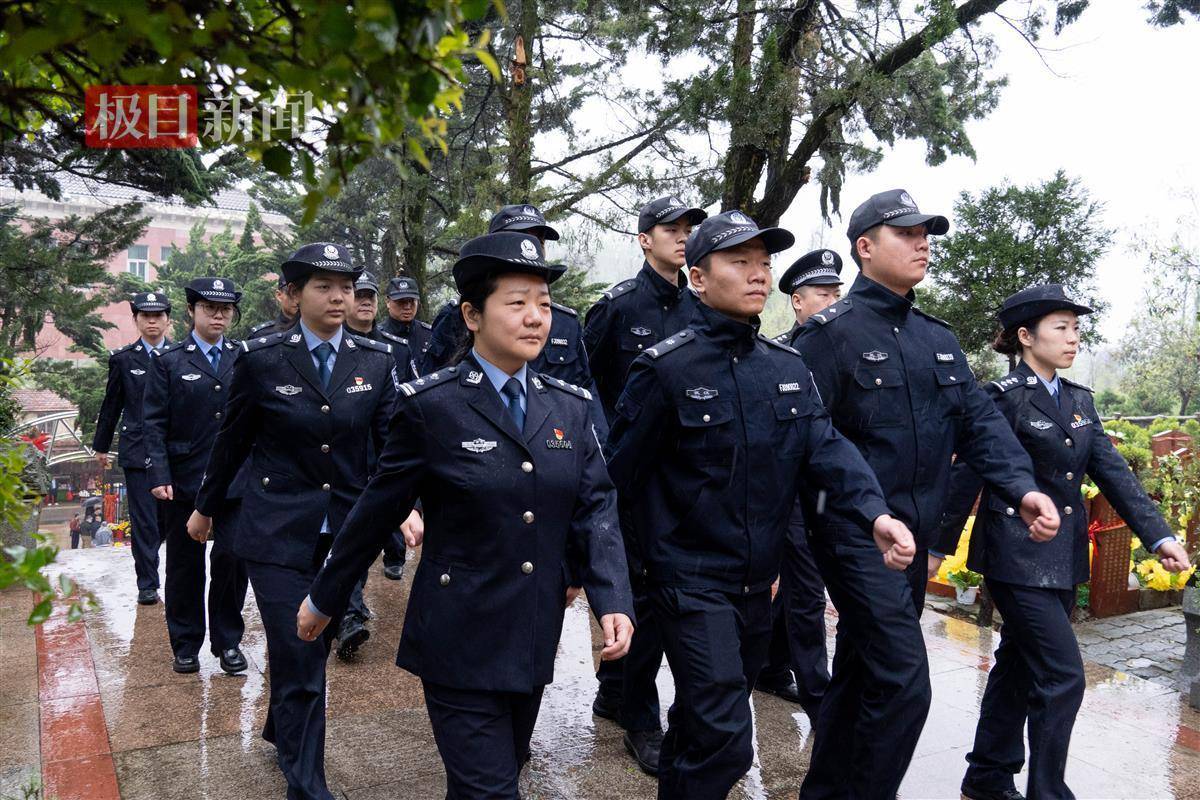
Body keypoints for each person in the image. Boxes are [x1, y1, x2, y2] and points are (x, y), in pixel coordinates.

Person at [297, 231, 636, 799]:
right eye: (517, 303)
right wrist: (325, 598)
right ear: (472, 315)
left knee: (492, 776)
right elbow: (377, 506)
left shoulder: (569, 409)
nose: (535, 318)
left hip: (531, 631)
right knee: (492, 791)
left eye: (544, 305)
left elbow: (596, 507)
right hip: (457, 636)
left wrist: (613, 600)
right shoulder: (433, 406)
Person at [605, 210, 917, 800]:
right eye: (739, 262)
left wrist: (876, 514)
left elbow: (829, 452)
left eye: (764, 263)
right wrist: (612, 581)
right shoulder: (665, 371)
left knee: (700, 727)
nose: (758, 275)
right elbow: (615, 481)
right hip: (685, 581)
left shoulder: (787, 368)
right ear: (697, 277)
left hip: (755, 585)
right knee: (728, 737)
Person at [791, 189, 1061, 800]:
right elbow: (805, 441)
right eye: (906, 234)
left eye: (926, 234)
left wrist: (1022, 490)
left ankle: (824, 791)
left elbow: (981, 426)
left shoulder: (935, 338)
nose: (923, 244)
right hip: (856, 534)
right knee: (906, 682)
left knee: (861, 671)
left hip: (912, 538)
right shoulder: (829, 336)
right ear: (865, 247)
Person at [932, 284, 1193, 800]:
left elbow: (1115, 474)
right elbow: (967, 477)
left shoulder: (1078, 401)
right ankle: (1047, 792)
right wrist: (936, 550)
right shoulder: (1001, 400)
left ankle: (986, 774)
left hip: (1064, 556)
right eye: (1061, 327)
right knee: (1063, 674)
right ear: (1026, 337)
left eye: (1076, 328)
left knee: (1017, 663)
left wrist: (1159, 536)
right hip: (1013, 553)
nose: (1073, 338)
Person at [187, 242, 414, 800]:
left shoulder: (376, 360)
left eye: (346, 285)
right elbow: (232, 440)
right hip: (276, 530)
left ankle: (277, 726)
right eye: (323, 286)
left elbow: (390, 447)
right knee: (301, 654)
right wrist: (206, 507)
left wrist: (407, 506)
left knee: (311, 649)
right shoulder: (263, 358)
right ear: (293, 295)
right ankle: (308, 788)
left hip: (345, 533)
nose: (338, 296)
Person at [580, 195, 706, 774]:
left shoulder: (700, 307)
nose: (682, 237)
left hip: (683, 478)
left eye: (688, 230)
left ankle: (614, 690)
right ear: (644, 239)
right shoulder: (617, 308)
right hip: (628, 475)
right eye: (670, 229)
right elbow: (587, 388)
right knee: (640, 596)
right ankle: (641, 720)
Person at [143, 277, 250, 676]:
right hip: (185, 480)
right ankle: (186, 643)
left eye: (225, 309)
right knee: (185, 565)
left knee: (232, 559)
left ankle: (228, 642)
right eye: (209, 308)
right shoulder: (169, 362)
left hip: (235, 481)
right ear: (191, 311)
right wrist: (159, 472)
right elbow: (152, 423)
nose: (219, 315)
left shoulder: (243, 357)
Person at [755, 248, 844, 719]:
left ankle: (771, 666)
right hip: (790, 488)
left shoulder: (847, 347)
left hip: (831, 489)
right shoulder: (782, 353)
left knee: (803, 586)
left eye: (836, 293)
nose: (832, 302)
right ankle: (818, 692)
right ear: (797, 301)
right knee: (808, 588)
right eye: (823, 294)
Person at [93, 291, 171, 605]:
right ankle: (147, 583)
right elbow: (111, 406)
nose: (152, 322)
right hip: (138, 451)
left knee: (168, 519)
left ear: (168, 319)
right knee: (144, 520)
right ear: (137, 319)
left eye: (158, 316)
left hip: (174, 451)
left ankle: (159, 559)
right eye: (145, 316)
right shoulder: (124, 360)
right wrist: (101, 446)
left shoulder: (180, 356)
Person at [343, 270, 415, 588]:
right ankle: (351, 608)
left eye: (369, 297)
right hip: (351, 449)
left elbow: (414, 393)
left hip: (389, 442)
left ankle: (394, 557)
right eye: (358, 296)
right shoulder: (336, 344)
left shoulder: (395, 347)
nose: (365, 303)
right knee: (350, 526)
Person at [380, 276, 433, 362]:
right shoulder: (378, 335)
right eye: (401, 301)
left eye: (412, 301)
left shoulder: (429, 334)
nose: (407, 307)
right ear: (388, 302)